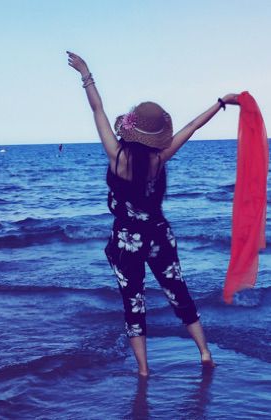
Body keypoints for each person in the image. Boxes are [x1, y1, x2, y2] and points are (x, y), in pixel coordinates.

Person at [66, 50, 239, 376]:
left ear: (130, 130)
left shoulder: (116, 155)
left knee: (133, 302)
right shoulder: (159, 159)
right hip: (159, 235)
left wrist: (85, 73)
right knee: (178, 293)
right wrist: (221, 102)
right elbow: (192, 126)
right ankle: (204, 352)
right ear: (157, 136)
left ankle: (144, 369)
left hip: (126, 241)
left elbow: (97, 109)